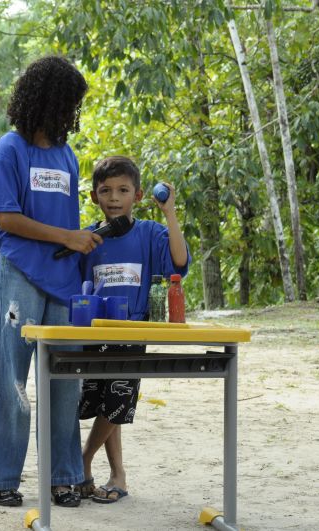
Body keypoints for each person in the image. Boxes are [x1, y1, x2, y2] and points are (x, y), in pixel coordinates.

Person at [0, 55, 101, 509]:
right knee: (11, 378)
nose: (72, 112)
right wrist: (67, 236)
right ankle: (1, 476)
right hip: (20, 276)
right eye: (68, 102)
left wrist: (80, 241)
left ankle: (63, 477)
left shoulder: (67, 155)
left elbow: (63, 219)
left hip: (64, 282)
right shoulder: (9, 149)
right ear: (47, 99)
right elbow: (6, 218)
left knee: (66, 381)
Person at [75, 156, 190, 504]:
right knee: (103, 404)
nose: (114, 197)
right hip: (94, 332)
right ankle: (118, 475)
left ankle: (83, 460)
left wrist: (169, 212)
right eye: (106, 190)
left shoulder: (150, 233)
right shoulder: (89, 238)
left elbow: (179, 261)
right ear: (94, 196)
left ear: (137, 195)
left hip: (131, 331)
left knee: (118, 399)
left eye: (123, 190)